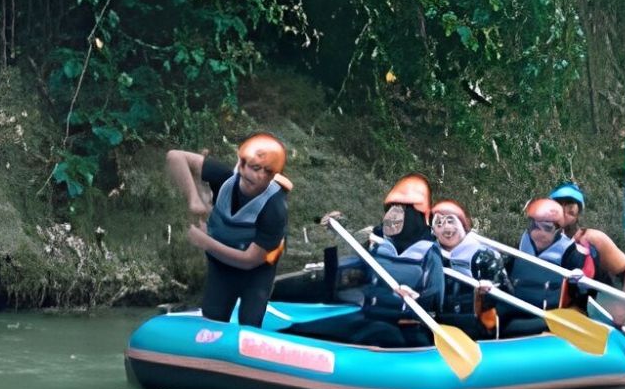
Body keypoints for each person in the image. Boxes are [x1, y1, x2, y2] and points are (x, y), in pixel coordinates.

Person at [289, 178, 444, 348]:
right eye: (391, 208)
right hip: (368, 315)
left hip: (405, 328)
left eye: (401, 209)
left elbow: (436, 301)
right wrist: (334, 235)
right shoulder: (376, 244)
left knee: (380, 333)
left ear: (416, 215)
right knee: (300, 329)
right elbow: (344, 268)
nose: (392, 215)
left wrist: (415, 298)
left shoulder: (429, 252)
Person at [165, 134, 291, 327]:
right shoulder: (224, 176)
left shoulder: (275, 207)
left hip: (257, 270)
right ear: (241, 165)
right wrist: (194, 199)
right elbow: (175, 157)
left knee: (250, 321)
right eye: (254, 167)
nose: (258, 176)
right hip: (221, 263)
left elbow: (250, 261)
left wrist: (204, 242)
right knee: (214, 317)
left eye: (266, 172)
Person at [549, 182, 625, 327]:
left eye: (570, 204)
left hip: (580, 316)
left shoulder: (592, 238)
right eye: (559, 203)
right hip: (543, 312)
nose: (564, 209)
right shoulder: (538, 239)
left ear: (579, 210)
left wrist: (623, 306)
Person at [507, 196, 595, 317]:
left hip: (550, 316)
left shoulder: (571, 253)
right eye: (534, 226)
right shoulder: (523, 242)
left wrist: (580, 285)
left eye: (547, 228)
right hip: (516, 309)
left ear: (558, 230)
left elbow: (583, 299)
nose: (538, 233)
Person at [430, 200, 503, 337]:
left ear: (463, 223)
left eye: (451, 221)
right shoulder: (429, 256)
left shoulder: (486, 254)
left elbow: (506, 293)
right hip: (437, 326)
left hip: (476, 327)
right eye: (439, 223)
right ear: (433, 230)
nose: (446, 227)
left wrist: (490, 292)